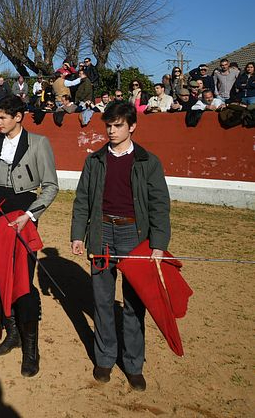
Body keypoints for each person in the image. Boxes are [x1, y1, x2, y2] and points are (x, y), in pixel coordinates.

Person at [70, 101, 171, 392]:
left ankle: (133, 364)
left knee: (134, 304)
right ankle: (104, 358)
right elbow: (82, 202)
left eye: (118, 126)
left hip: (133, 235)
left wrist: (159, 244)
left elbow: (159, 206)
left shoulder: (148, 162)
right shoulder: (94, 161)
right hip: (102, 233)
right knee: (101, 302)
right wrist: (79, 235)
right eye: (109, 126)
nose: (112, 131)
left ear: (132, 126)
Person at [0, 95, 58, 377]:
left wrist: (31, 215)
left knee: (23, 281)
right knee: (2, 276)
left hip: (25, 215)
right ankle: (12, 334)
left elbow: (50, 186)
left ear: (18, 117)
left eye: (2, 117)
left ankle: (31, 350)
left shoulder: (39, 143)